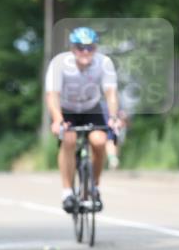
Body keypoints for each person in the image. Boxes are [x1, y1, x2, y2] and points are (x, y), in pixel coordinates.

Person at [45, 26, 122, 213]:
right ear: (73, 48)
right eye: (81, 47)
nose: (85, 52)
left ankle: (94, 186)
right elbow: (52, 95)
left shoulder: (104, 63)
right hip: (66, 110)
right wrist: (57, 120)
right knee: (69, 140)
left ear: (95, 48)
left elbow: (110, 93)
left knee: (99, 141)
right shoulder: (60, 63)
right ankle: (67, 192)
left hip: (90, 108)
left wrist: (113, 117)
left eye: (90, 47)